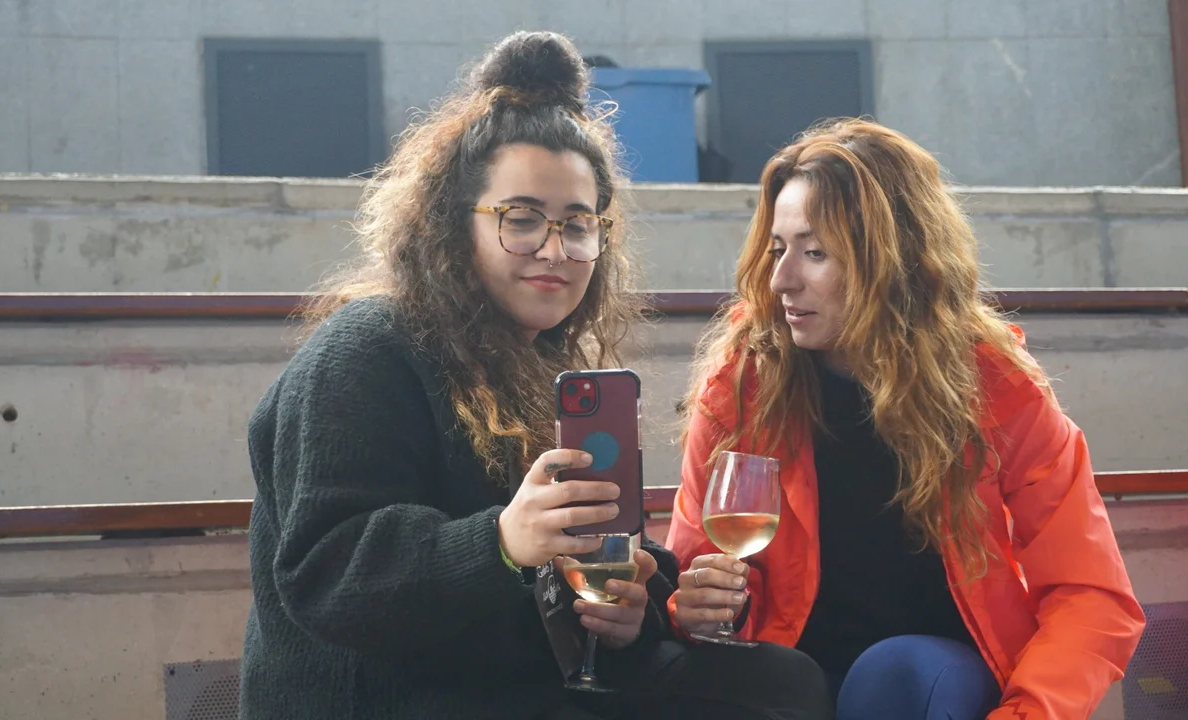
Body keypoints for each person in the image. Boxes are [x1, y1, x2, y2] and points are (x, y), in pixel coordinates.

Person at [239, 31, 830, 720]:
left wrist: (634, 608)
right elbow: (326, 576)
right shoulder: (365, 349)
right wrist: (500, 541)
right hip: (391, 698)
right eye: (521, 220)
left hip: (521, 687)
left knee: (783, 684)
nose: (555, 250)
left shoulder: (550, 368)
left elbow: (580, 581)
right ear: (450, 227)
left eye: (578, 225)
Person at [665, 119, 1146, 720]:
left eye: (815, 253)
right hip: (794, 678)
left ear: (892, 260)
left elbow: (1090, 594)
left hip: (930, 682)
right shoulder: (742, 387)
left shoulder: (996, 390)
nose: (781, 279)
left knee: (894, 673)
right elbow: (694, 576)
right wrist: (698, 607)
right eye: (776, 250)